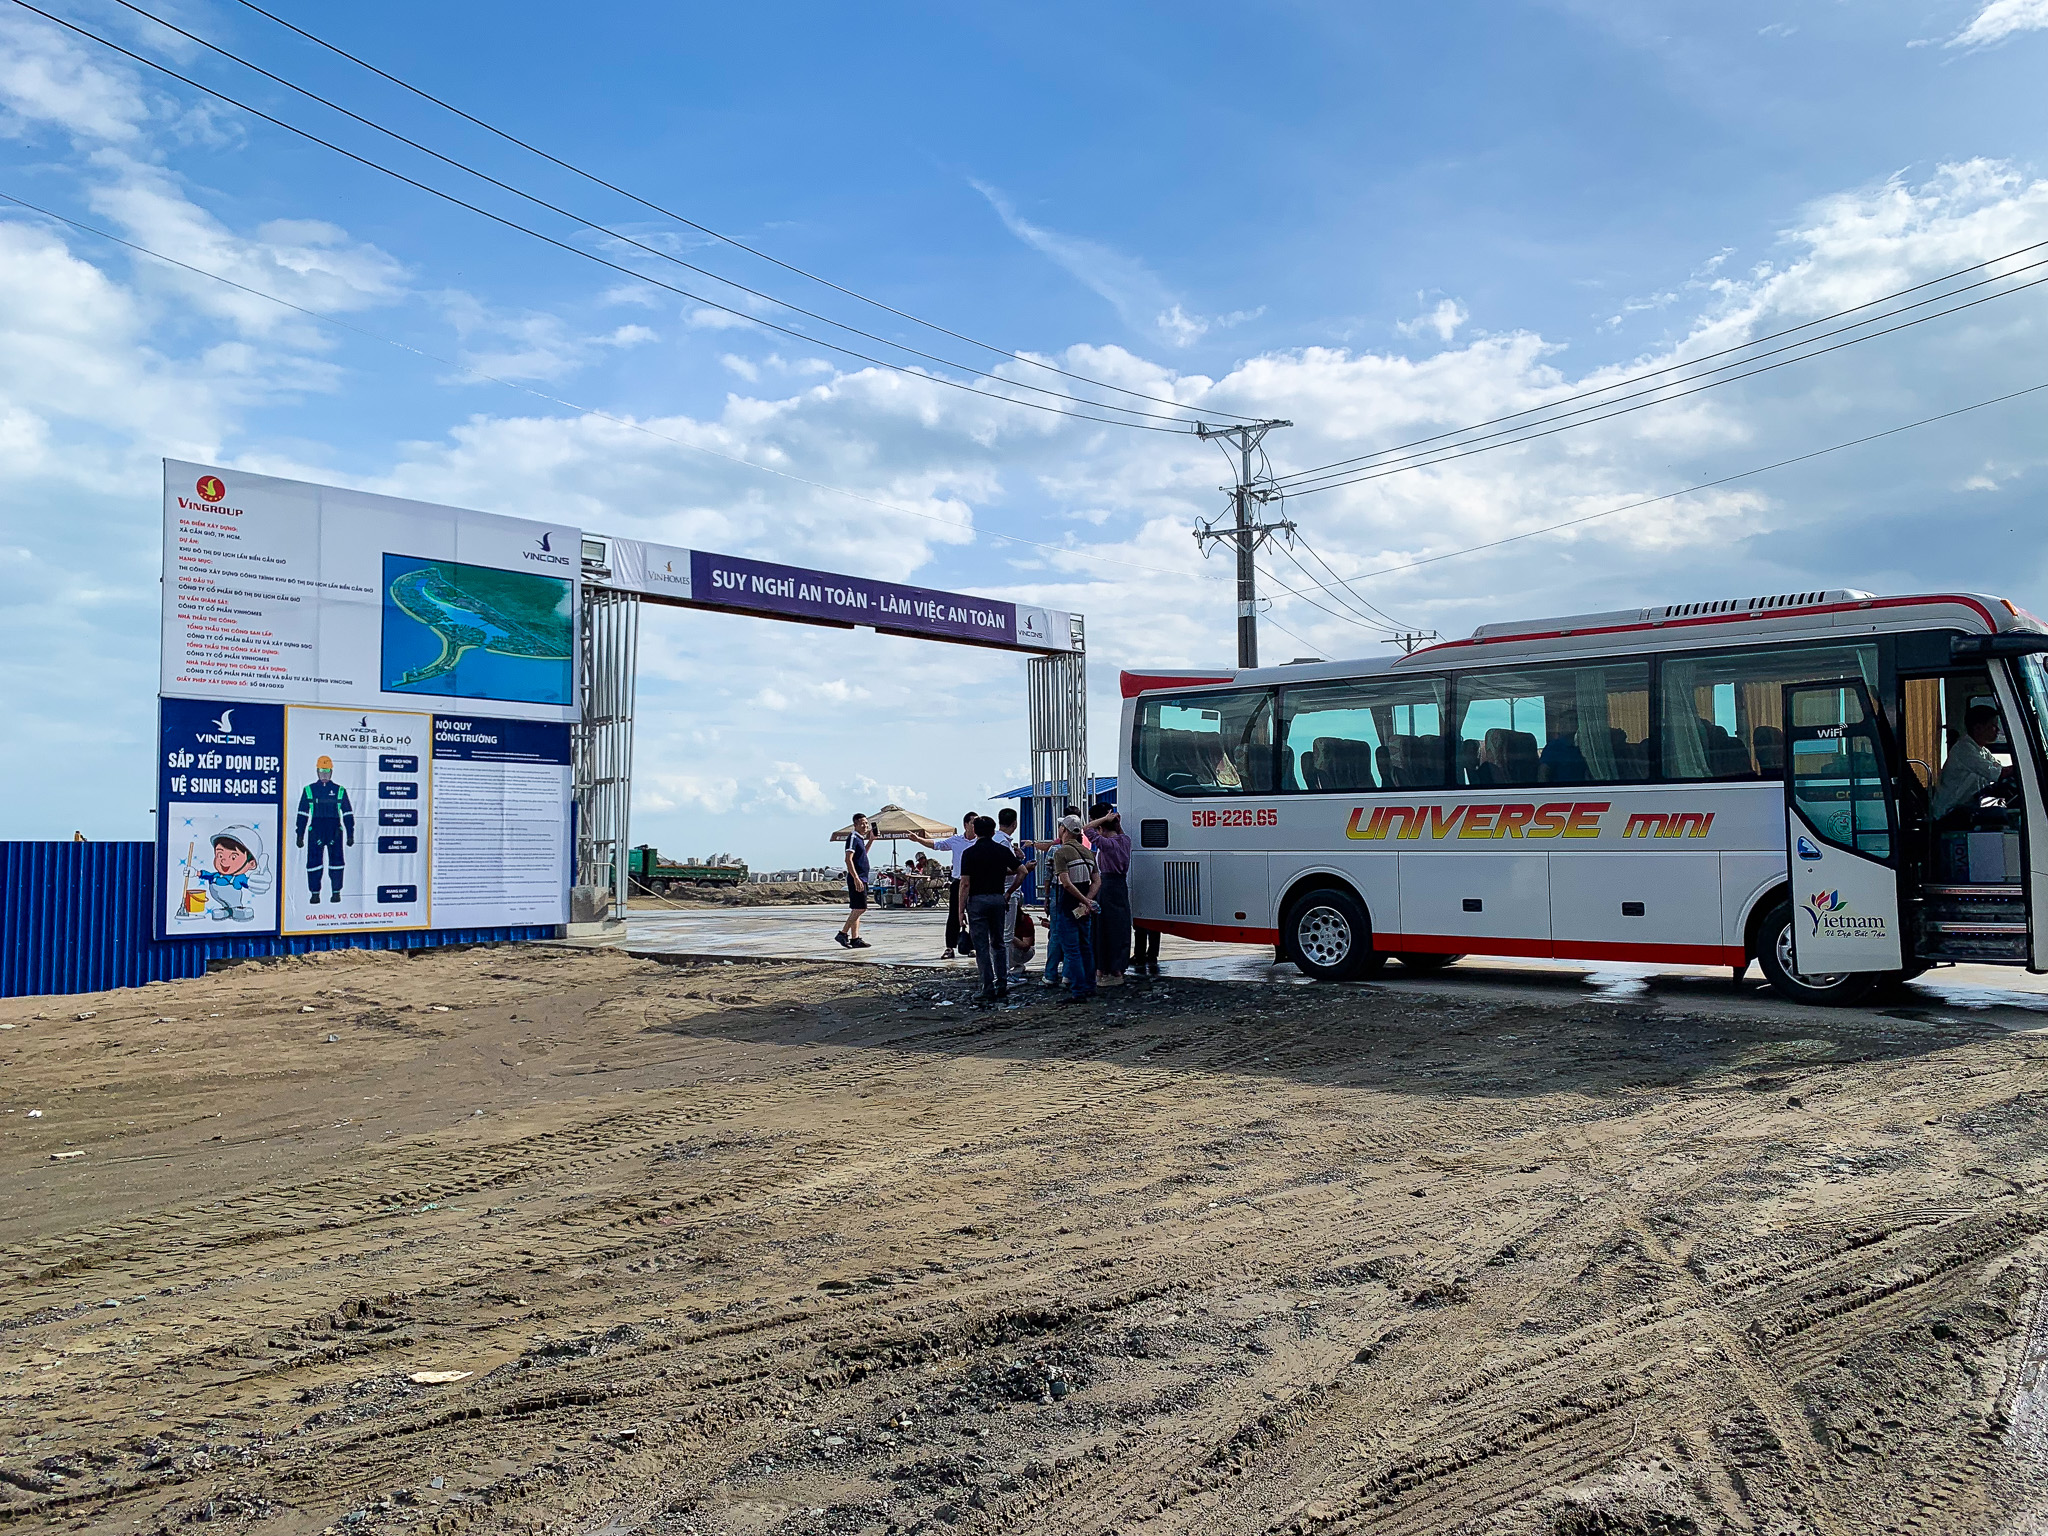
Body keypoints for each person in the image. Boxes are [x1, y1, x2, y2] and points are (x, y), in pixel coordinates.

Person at [959, 815, 1024, 1005]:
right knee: (999, 942)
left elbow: (965, 884)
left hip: (977, 901)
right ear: (993, 830)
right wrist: (1009, 892)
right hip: (997, 898)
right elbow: (1022, 871)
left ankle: (987, 987)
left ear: (976, 831)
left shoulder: (969, 853)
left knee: (981, 947)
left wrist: (960, 910)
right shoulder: (1001, 850)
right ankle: (1002, 984)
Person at [911, 812, 978, 960]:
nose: (976, 825)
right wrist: (918, 840)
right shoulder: (956, 840)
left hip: (975, 883)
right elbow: (937, 845)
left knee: (974, 915)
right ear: (966, 825)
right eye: (974, 822)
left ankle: (973, 946)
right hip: (958, 882)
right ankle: (950, 947)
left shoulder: (981, 840)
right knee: (953, 915)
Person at [1932, 705, 2016, 822]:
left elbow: (2000, 770)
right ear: (1978, 728)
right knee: (2000, 815)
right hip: (1949, 812)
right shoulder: (1964, 749)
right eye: (1993, 726)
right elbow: (1997, 773)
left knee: (2007, 810)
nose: (1997, 730)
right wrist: (2023, 769)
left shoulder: (1983, 751)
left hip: (1969, 806)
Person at [1050, 814, 1102, 1004]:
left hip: (1068, 906)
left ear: (1064, 830)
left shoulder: (1061, 853)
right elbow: (1097, 881)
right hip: (1084, 908)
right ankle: (1090, 986)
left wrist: (1081, 900)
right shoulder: (1089, 853)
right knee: (1085, 947)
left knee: (1072, 950)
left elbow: (1065, 883)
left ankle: (1078, 991)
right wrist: (1088, 900)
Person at [294, 754, 354, 904]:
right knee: (314, 863)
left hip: (335, 831)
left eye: (327, 772)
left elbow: (347, 813)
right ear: (317, 771)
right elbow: (302, 813)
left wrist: (350, 834)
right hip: (315, 831)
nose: (324, 775)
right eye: (322, 771)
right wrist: (299, 835)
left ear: (331, 772)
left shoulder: (340, 790)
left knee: (337, 863)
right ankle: (315, 894)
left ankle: (336, 892)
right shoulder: (309, 790)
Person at [1087, 802, 1132, 985]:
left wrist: (1105, 819)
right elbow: (1119, 833)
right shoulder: (1125, 840)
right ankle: (1118, 968)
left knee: (1103, 928)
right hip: (1121, 885)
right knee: (1120, 927)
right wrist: (1115, 822)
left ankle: (1103, 969)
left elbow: (1085, 829)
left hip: (1106, 886)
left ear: (1100, 827)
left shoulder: (1106, 844)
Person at [836, 812, 874, 949]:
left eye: (866, 823)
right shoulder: (852, 837)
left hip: (862, 877)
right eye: (862, 823)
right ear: (856, 825)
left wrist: (871, 840)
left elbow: (863, 853)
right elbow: (848, 859)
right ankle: (843, 933)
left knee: (856, 909)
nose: (865, 826)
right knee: (861, 907)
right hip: (857, 878)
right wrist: (856, 878)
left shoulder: (860, 838)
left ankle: (855, 938)